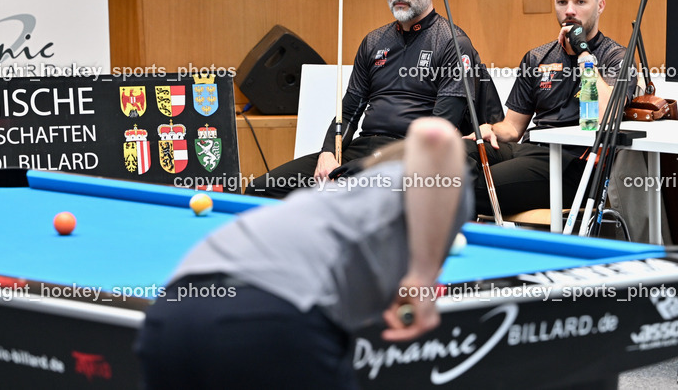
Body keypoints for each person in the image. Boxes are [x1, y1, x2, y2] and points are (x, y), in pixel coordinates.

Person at [136, 117, 472, 389]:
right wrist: (421, 280)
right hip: (272, 318)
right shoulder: (440, 187)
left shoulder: (343, 197)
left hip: (171, 317)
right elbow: (435, 135)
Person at [249, 0, 501, 198]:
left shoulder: (453, 43)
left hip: (412, 159)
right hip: (361, 149)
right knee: (260, 189)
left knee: (352, 192)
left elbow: (439, 129)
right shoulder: (374, 41)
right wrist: (328, 152)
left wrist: (370, 167)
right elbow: (348, 112)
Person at [470, 0, 629, 217]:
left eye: (580, 1)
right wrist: (489, 129)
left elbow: (605, 116)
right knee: (450, 158)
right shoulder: (537, 57)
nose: (570, 11)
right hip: (529, 151)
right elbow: (512, 128)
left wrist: (583, 55)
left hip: (574, 164)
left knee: (468, 187)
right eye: (562, 2)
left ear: (600, 6)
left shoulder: (617, 57)